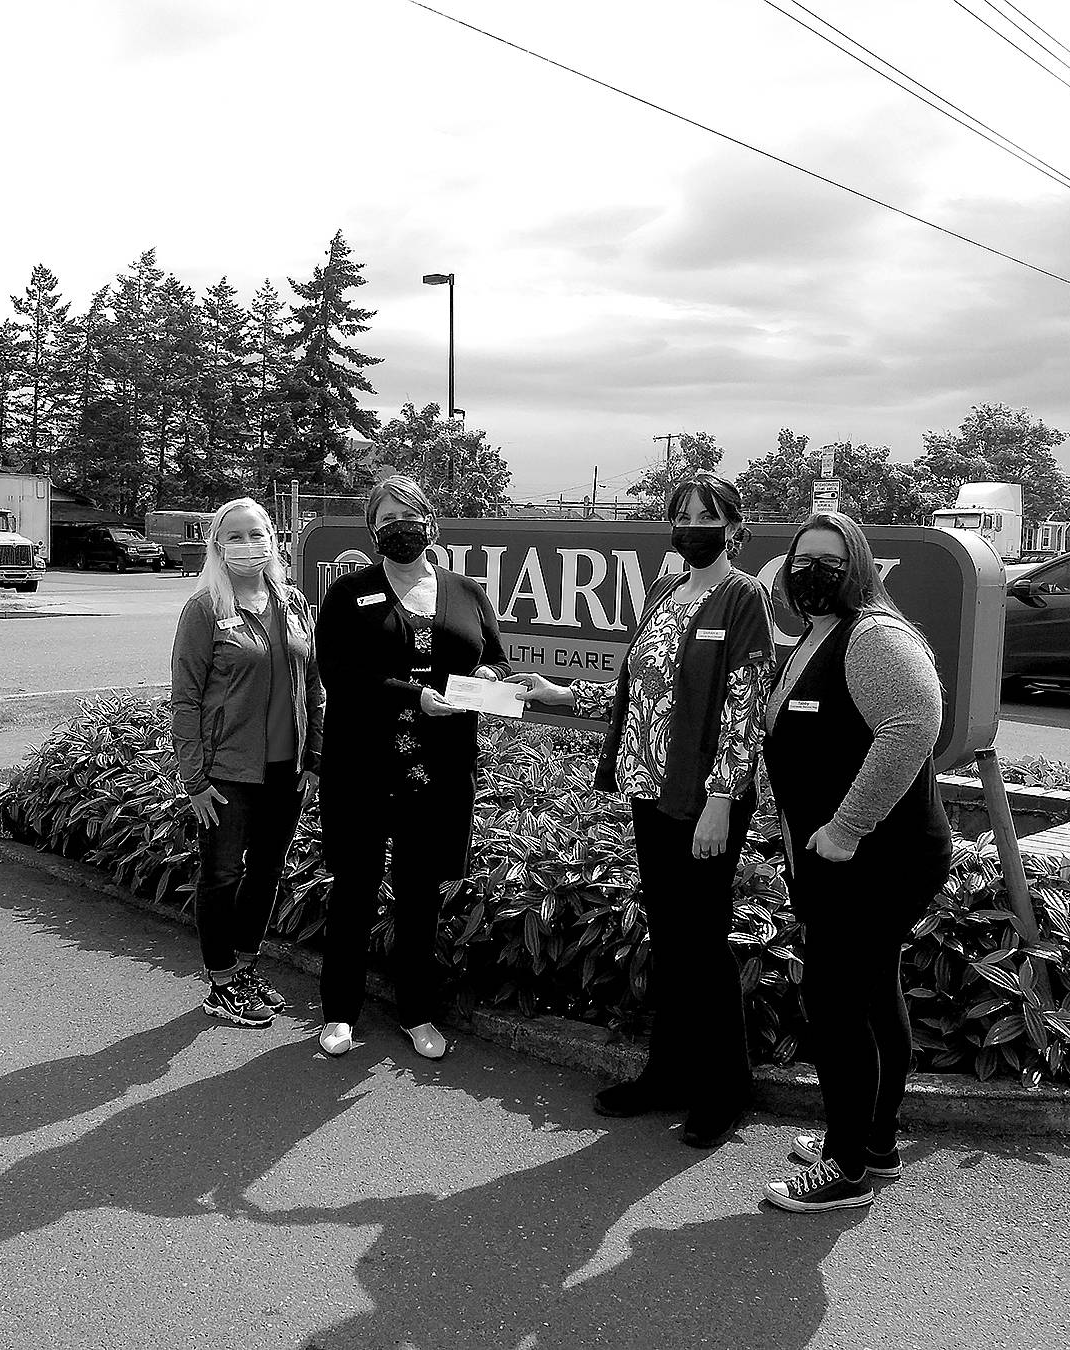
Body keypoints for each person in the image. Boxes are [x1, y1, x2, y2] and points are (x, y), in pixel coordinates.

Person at [511, 472, 773, 1148]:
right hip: (651, 792)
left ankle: (726, 1089)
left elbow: (744, 713)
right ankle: (667, 1075)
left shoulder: (743, 598)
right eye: (681, 513)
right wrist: (557, 694)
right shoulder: (664, 589)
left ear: (734, 527)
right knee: (672, 937)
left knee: (704, 944)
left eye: (706, 515)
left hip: (705, 799)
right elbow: (635, 692)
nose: (692, 524)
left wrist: (722, 800)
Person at [759, 510, 953, 1213]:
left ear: (860, 567)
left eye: (831, 562)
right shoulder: (818, 635)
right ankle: (874, 1140)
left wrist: (846, 827)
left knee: (835, 1003)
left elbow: (912, 727)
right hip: (843, 856)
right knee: (872, 995)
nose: (812, 572)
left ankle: (843, 1169)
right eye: (802, 558)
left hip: (877, 858)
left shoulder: (872, 634)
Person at [313, 475, 511, 1061]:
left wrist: (489, 683)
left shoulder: (465, 591)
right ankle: (340, 1013)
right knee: (355, 889)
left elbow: (492, 658)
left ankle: (418, 1012)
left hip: (438, 769)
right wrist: (411, 696)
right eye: (387, 514)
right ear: (372, 529)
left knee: (419, 895)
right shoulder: (349, 594)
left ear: (431, 521)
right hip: (363, 766)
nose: (400, 524)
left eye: (410, 512)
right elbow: (339, 674)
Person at [170, 497, 325, 1028]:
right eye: (235, 536)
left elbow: (314, 686)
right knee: (221, 874)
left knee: (265, 873)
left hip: (287, 769)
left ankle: (247, 966)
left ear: (274, 539)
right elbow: (186, 698)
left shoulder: (294, 602)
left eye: (257, 533)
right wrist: (194, 779)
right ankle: (219, 980)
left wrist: (314, 758)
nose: (248, 544)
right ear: (217, 545)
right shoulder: (205, 609)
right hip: (228, 773)